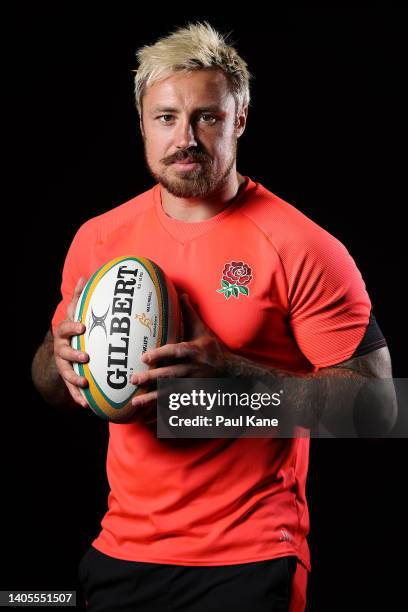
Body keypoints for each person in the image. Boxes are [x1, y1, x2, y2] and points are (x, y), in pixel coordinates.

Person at [31, 21, 396, 612]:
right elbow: (51, 383)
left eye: (208, 116)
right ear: (143, 123)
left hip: (248, 559)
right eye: (166, 117)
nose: (186, 138)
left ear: (240, 120)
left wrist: (233, 382)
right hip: (122, 550)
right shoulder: (99, 239)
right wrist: (59, 361)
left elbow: (378, 409)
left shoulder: (300, 244)